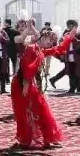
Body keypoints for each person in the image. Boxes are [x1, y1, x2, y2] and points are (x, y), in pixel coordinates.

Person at [11, 19, 69, 149]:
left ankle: (48, 138)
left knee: (42, 110)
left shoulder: (40, 50)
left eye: (51, 41)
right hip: (22, 83)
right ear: (42, 38)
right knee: (26, 112)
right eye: (49, 40)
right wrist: (26, 84)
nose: (50, 43)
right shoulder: (31, 48)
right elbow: (26, 66)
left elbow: (58, 49)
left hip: (30, 82)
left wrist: (69, 38)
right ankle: (26, 139)